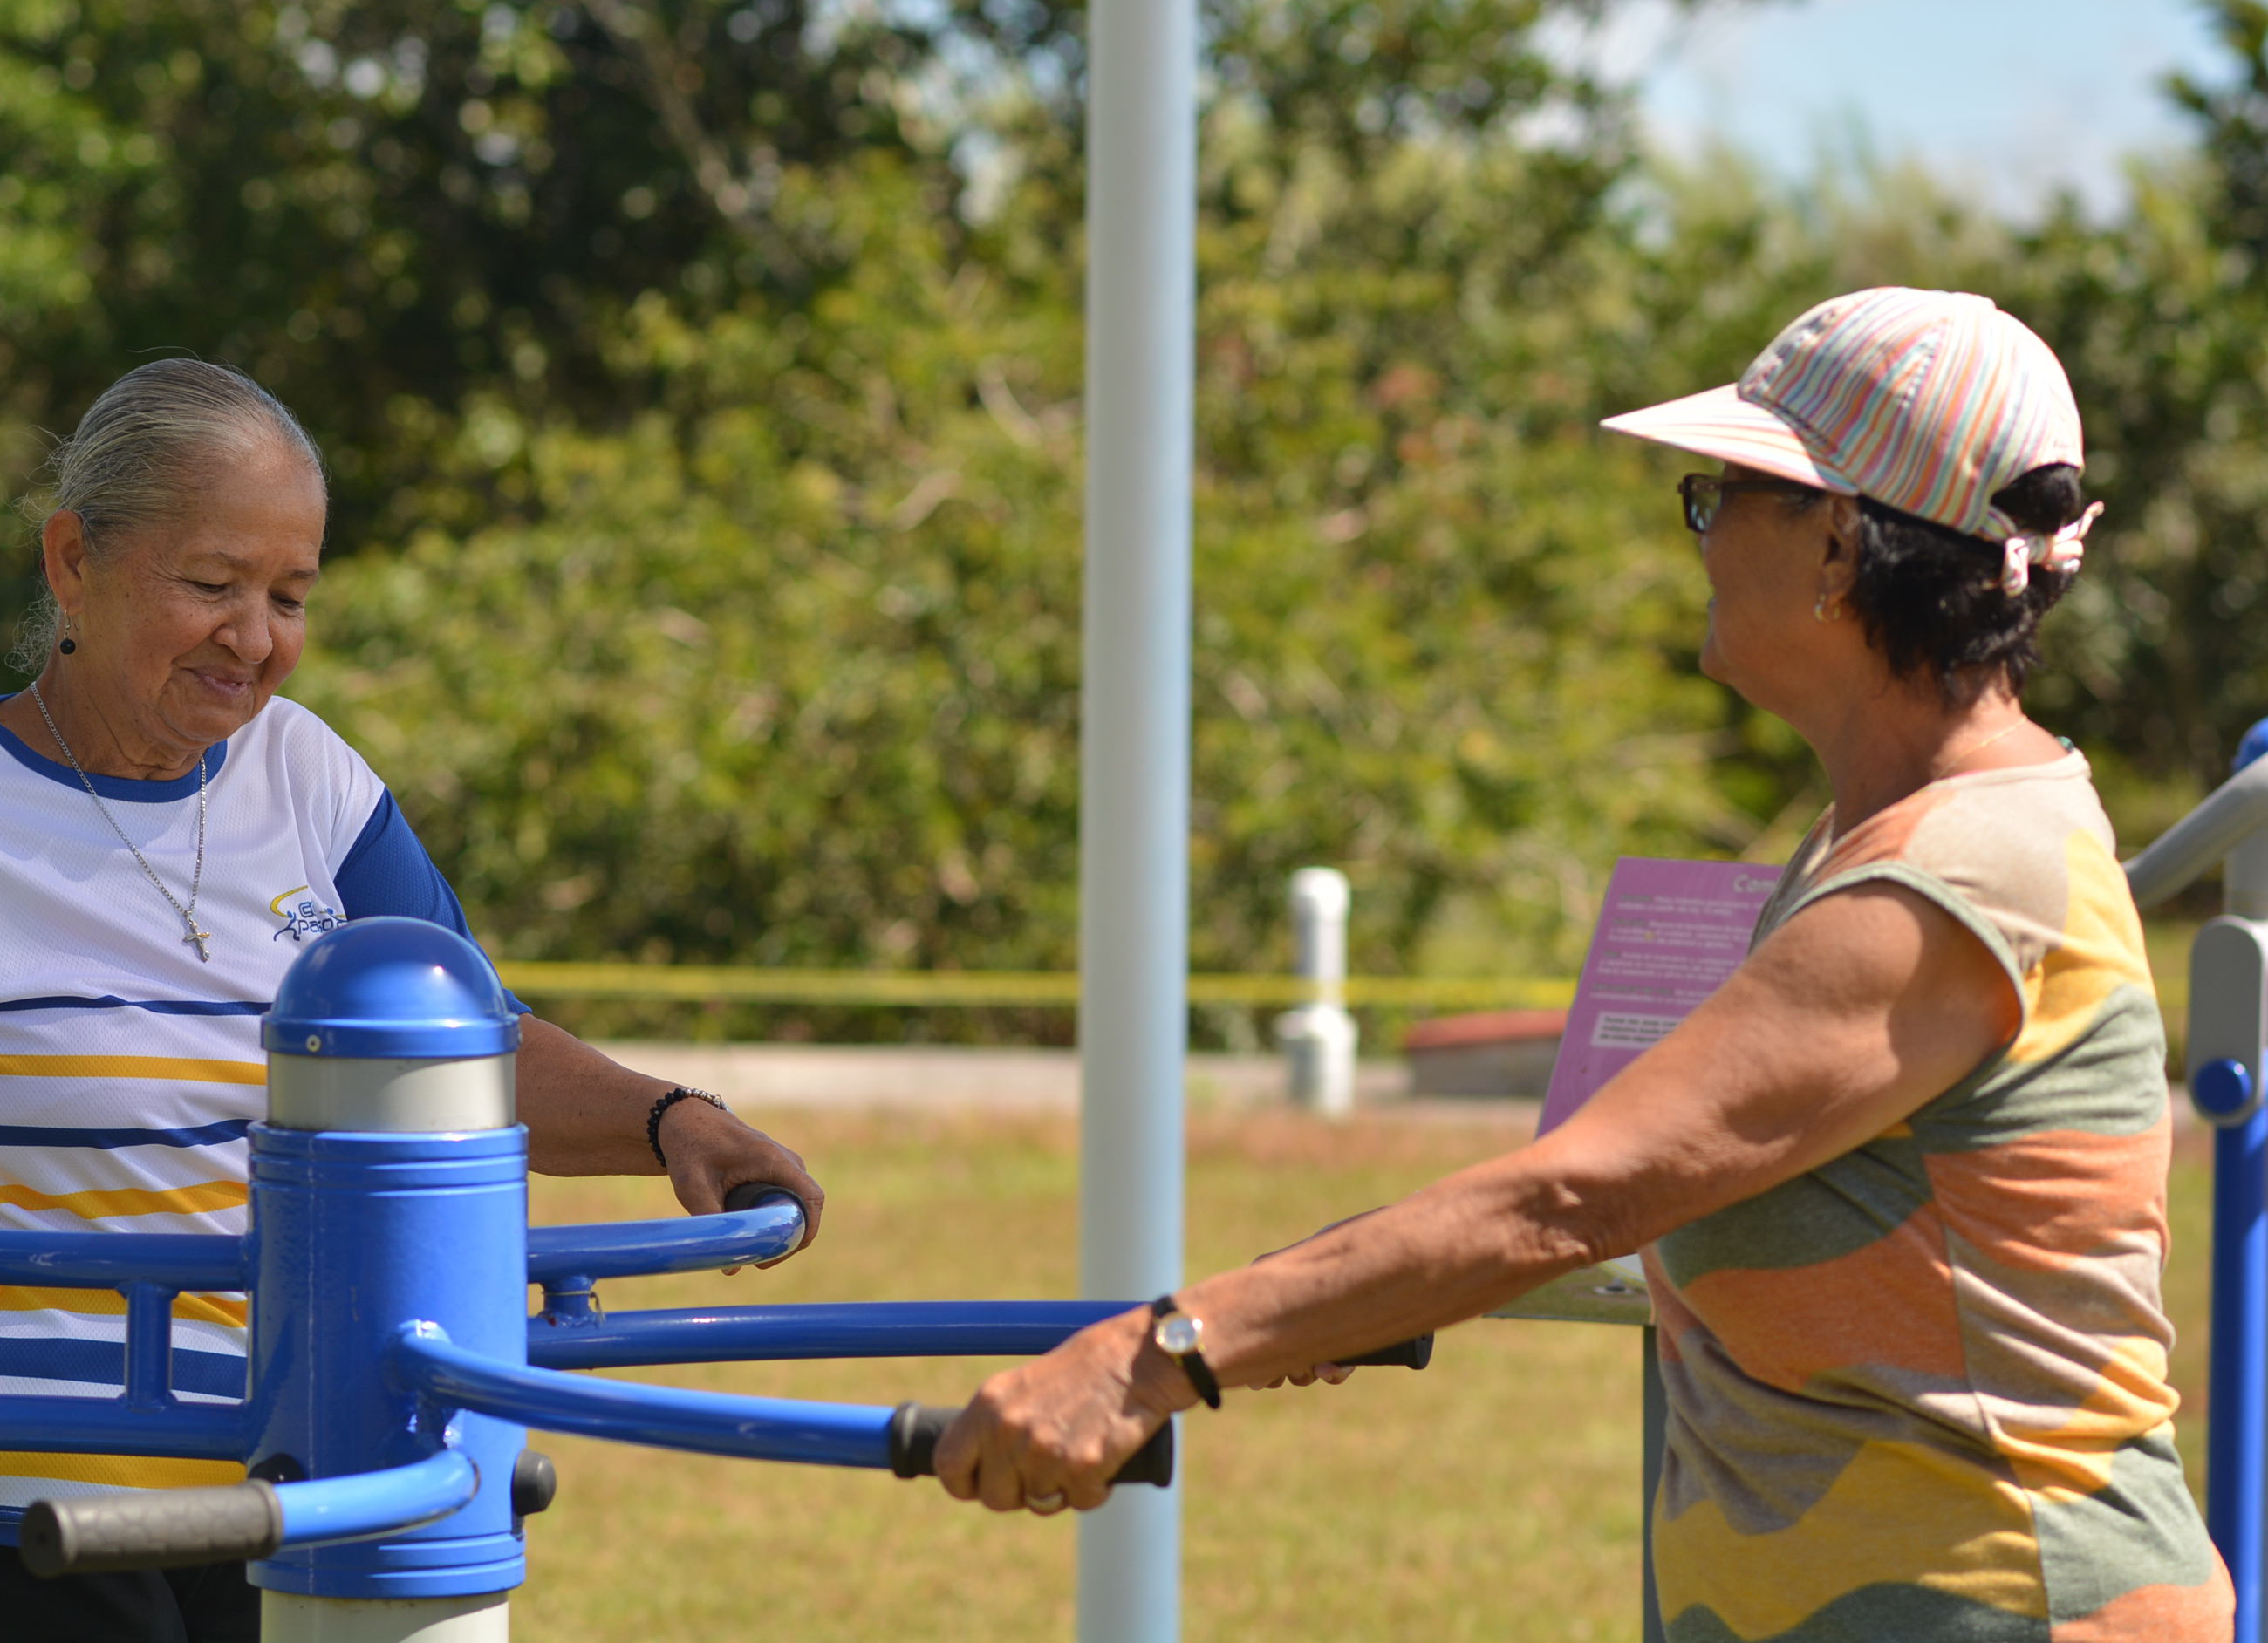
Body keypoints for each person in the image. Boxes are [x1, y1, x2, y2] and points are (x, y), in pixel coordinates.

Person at [933, 288, 2233, 1639]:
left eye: (1720, 492)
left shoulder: (1956, 875)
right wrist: (1316, 1300)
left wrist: (1160, 1355)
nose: (1702, 534)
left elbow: (1576, 1196)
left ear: (1841, 541)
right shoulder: (1890, 834)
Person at [0, 358, 827, 1643]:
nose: (256, 637)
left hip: (284, 1477)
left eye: (290, 596)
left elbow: (461, 1050)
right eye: (211, 585)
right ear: (72, 564)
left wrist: (671, 1118)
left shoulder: (312, 781)